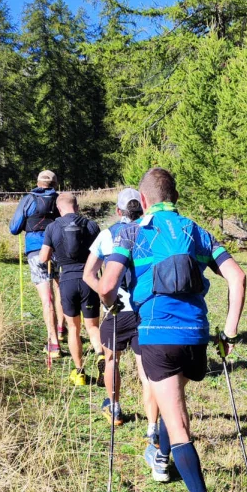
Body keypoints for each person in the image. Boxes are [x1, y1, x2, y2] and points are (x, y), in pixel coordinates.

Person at [96, 167, 247, 492]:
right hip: (196, 335)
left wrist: (109, 304)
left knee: (178, 422)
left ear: (143, 200)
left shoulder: (132, 233)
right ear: (174, 197)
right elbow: (237, 277)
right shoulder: (197, 231)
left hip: (157, 333)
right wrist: (228, 333)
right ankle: (161, 456)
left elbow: (107, 284)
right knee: (171, 404)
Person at [83, 187, 159, 438]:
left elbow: (89, 274)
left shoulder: (108, 234)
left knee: (112, 359)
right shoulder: (153, 232)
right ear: (143, 207)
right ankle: (152, 427)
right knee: (145, 369)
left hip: (119, 308)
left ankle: (114, 408)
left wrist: (108, 299)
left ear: (118, 211)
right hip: (147, 308)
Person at [38, 193, 103, 386]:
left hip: (67, 281)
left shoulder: (52, 227)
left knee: (73, 328)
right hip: (89, 281)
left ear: (59, 208)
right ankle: (101, 355)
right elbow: (102, 253)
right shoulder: (91, 226)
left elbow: (43, 258)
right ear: (77, 206)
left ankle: (80, 372)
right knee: (93, 327)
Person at [9, 169, 64, 359]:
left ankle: (54, 344)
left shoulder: (28, 199)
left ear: (38, 183)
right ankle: (62, 329)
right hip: (59, 249)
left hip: (36, 251)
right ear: (55, 184)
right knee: (59, 289)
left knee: (46, 297)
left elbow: (14, 228)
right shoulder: (60, 200)